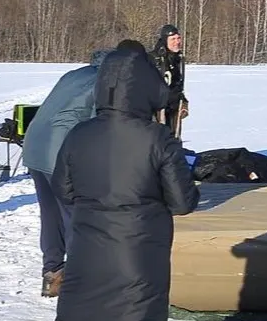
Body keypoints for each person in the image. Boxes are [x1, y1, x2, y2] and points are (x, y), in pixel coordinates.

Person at [53, 39, 200, 321]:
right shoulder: (157, 138)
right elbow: (182, 202)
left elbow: (63, 190)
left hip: (86, 253)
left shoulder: (78, 134)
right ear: (146, 88)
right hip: (137, 256)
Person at [20, 48, 111, 298]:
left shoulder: (73, 74)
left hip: (35, 146)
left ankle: (52, 274)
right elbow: (98, 127)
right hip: (59, 152)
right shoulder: (104, 82)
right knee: (75, 215)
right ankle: (79, 281)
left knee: (50, 215)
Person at [153, 24, 187, 135]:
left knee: (174, 142)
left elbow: (176, 84)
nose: (177, 42)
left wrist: (183, 100)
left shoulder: (178, 59)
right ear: (165, 40)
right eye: (173, 39)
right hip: (157, 111)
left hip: (173, 109)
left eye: (178, 38)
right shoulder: (154, 59)